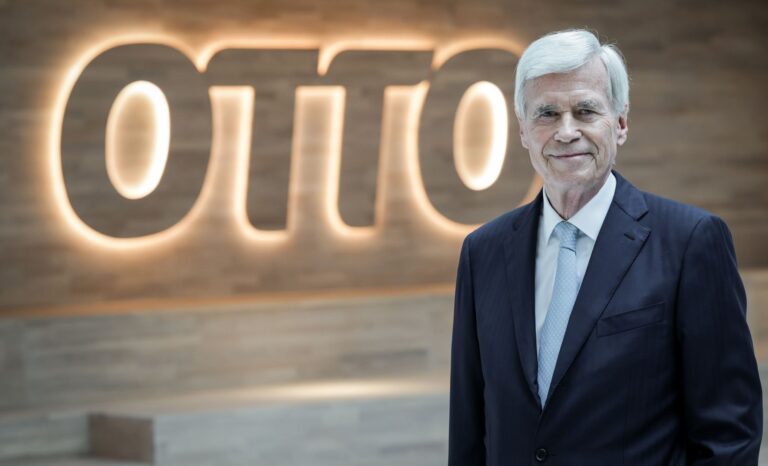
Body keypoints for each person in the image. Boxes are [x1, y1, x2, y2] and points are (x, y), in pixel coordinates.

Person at [448, 29, 762, 465]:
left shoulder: (691, 242)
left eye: (585, 110)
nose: (566, 131)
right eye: (547, 113)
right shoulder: (482, 252)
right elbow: (469, 428)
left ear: (620, 123)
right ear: (522, 130)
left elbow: (728, 434)